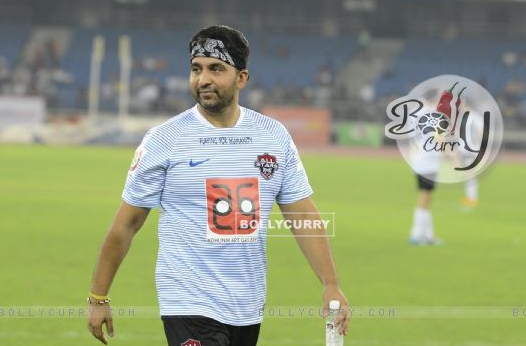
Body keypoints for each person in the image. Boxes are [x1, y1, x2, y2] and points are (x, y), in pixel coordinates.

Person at [86, 25, 350, 346]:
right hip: (186, 298)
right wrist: (98, 296)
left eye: (216, 69)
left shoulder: (273, 136)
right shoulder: (164, 140)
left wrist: (331, 283)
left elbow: (302, 215)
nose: (203, 79)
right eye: (196, 69)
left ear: (241, 78)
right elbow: (125, 224)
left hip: (247, 303)